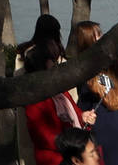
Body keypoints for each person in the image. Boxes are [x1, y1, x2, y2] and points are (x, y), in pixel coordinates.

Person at [20, 17, 90, 165]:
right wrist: (73, 146)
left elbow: (76, 113)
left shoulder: (60, 93)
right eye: (52, 62)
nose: (55, 67)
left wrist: (84, 117)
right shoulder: (36, 101)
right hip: (58, 157)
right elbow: (44, 136)